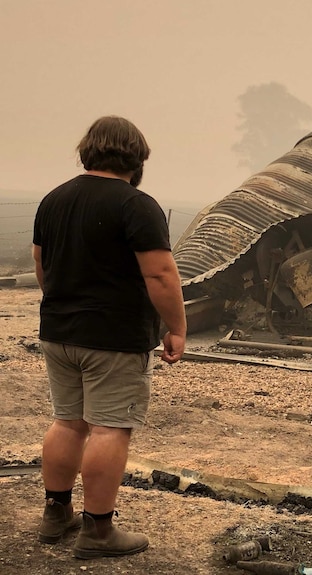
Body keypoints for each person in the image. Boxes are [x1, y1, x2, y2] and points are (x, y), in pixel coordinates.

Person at [32, 116, 186, 559]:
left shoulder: (53, 200)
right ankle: (98, 532)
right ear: (136, 157)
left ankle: (56, 513)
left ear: (88, 151)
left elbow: (43, 266)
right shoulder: (136, 205)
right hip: (114, 338)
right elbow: (159, 273)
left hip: (59, 331)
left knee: (67, 422)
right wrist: (176, 327)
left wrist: (66, 305)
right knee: (110, 428)